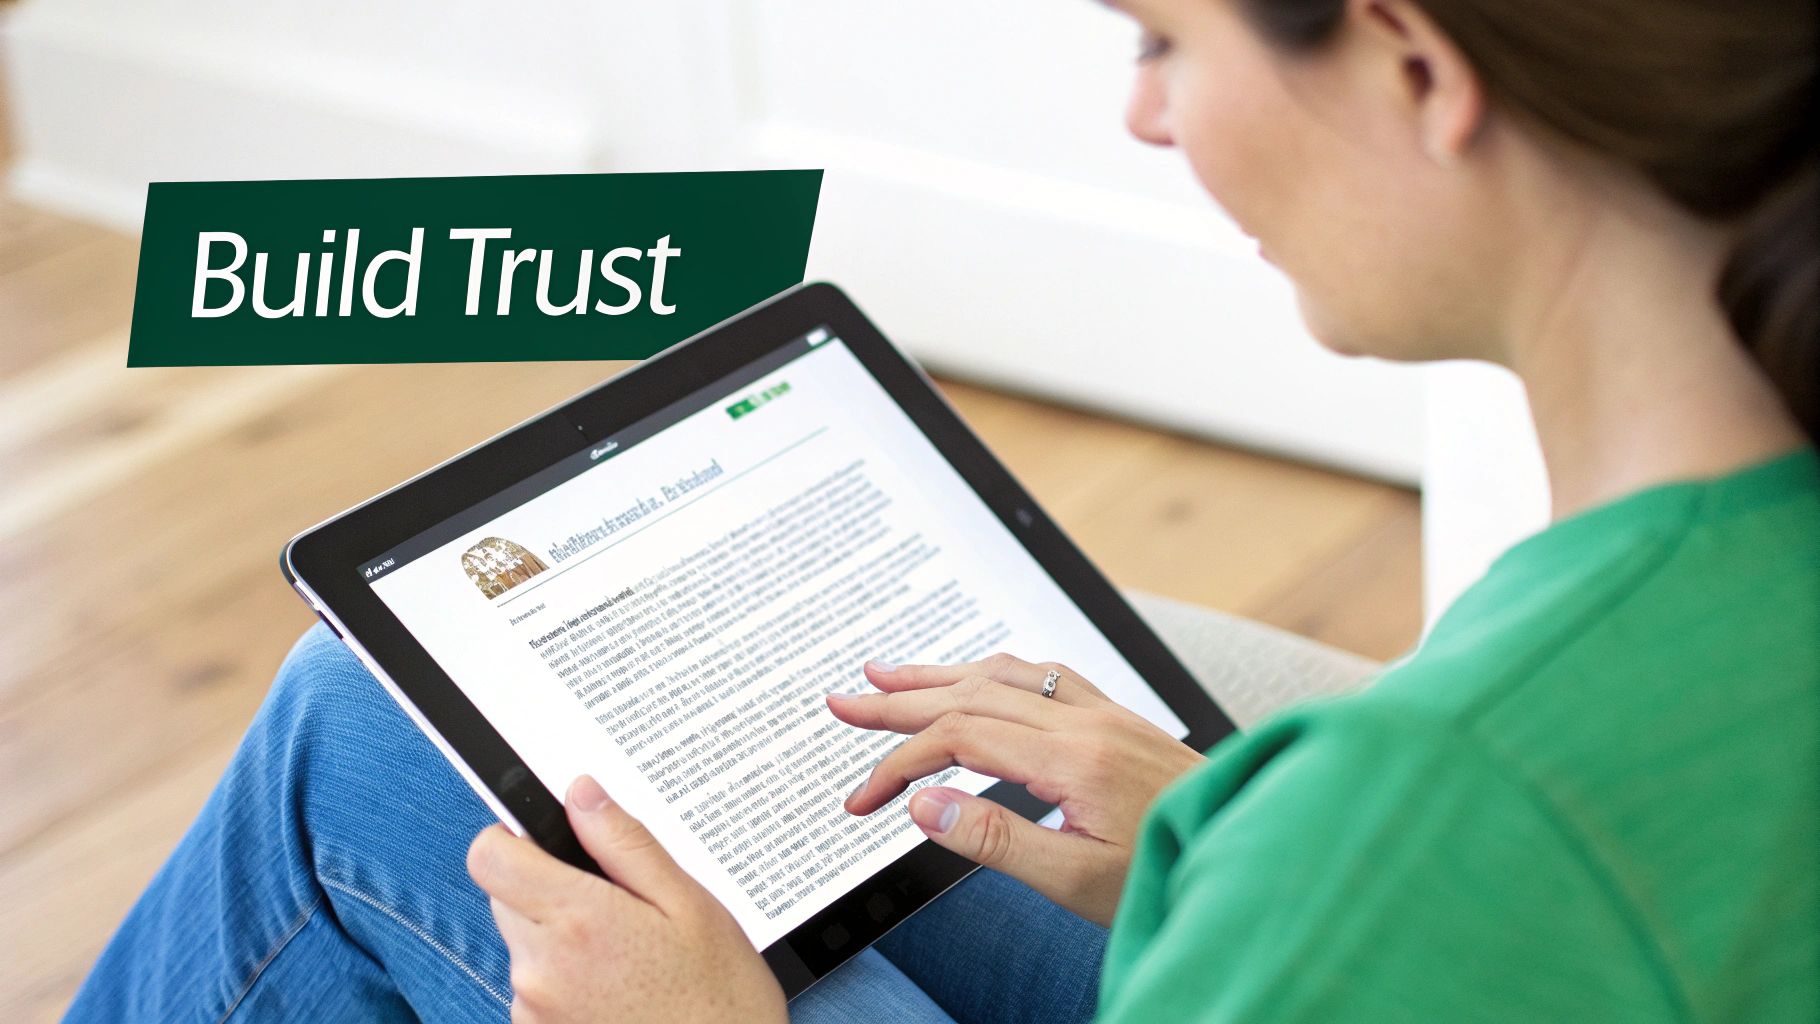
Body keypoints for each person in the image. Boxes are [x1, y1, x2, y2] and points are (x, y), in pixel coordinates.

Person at [70, 0, 1817, 1020]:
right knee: (407, 728)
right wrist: (1222, 835)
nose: (1144, 116)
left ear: (1418, 69)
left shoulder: (1449, 807)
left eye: (1164, 38)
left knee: (365, 753)